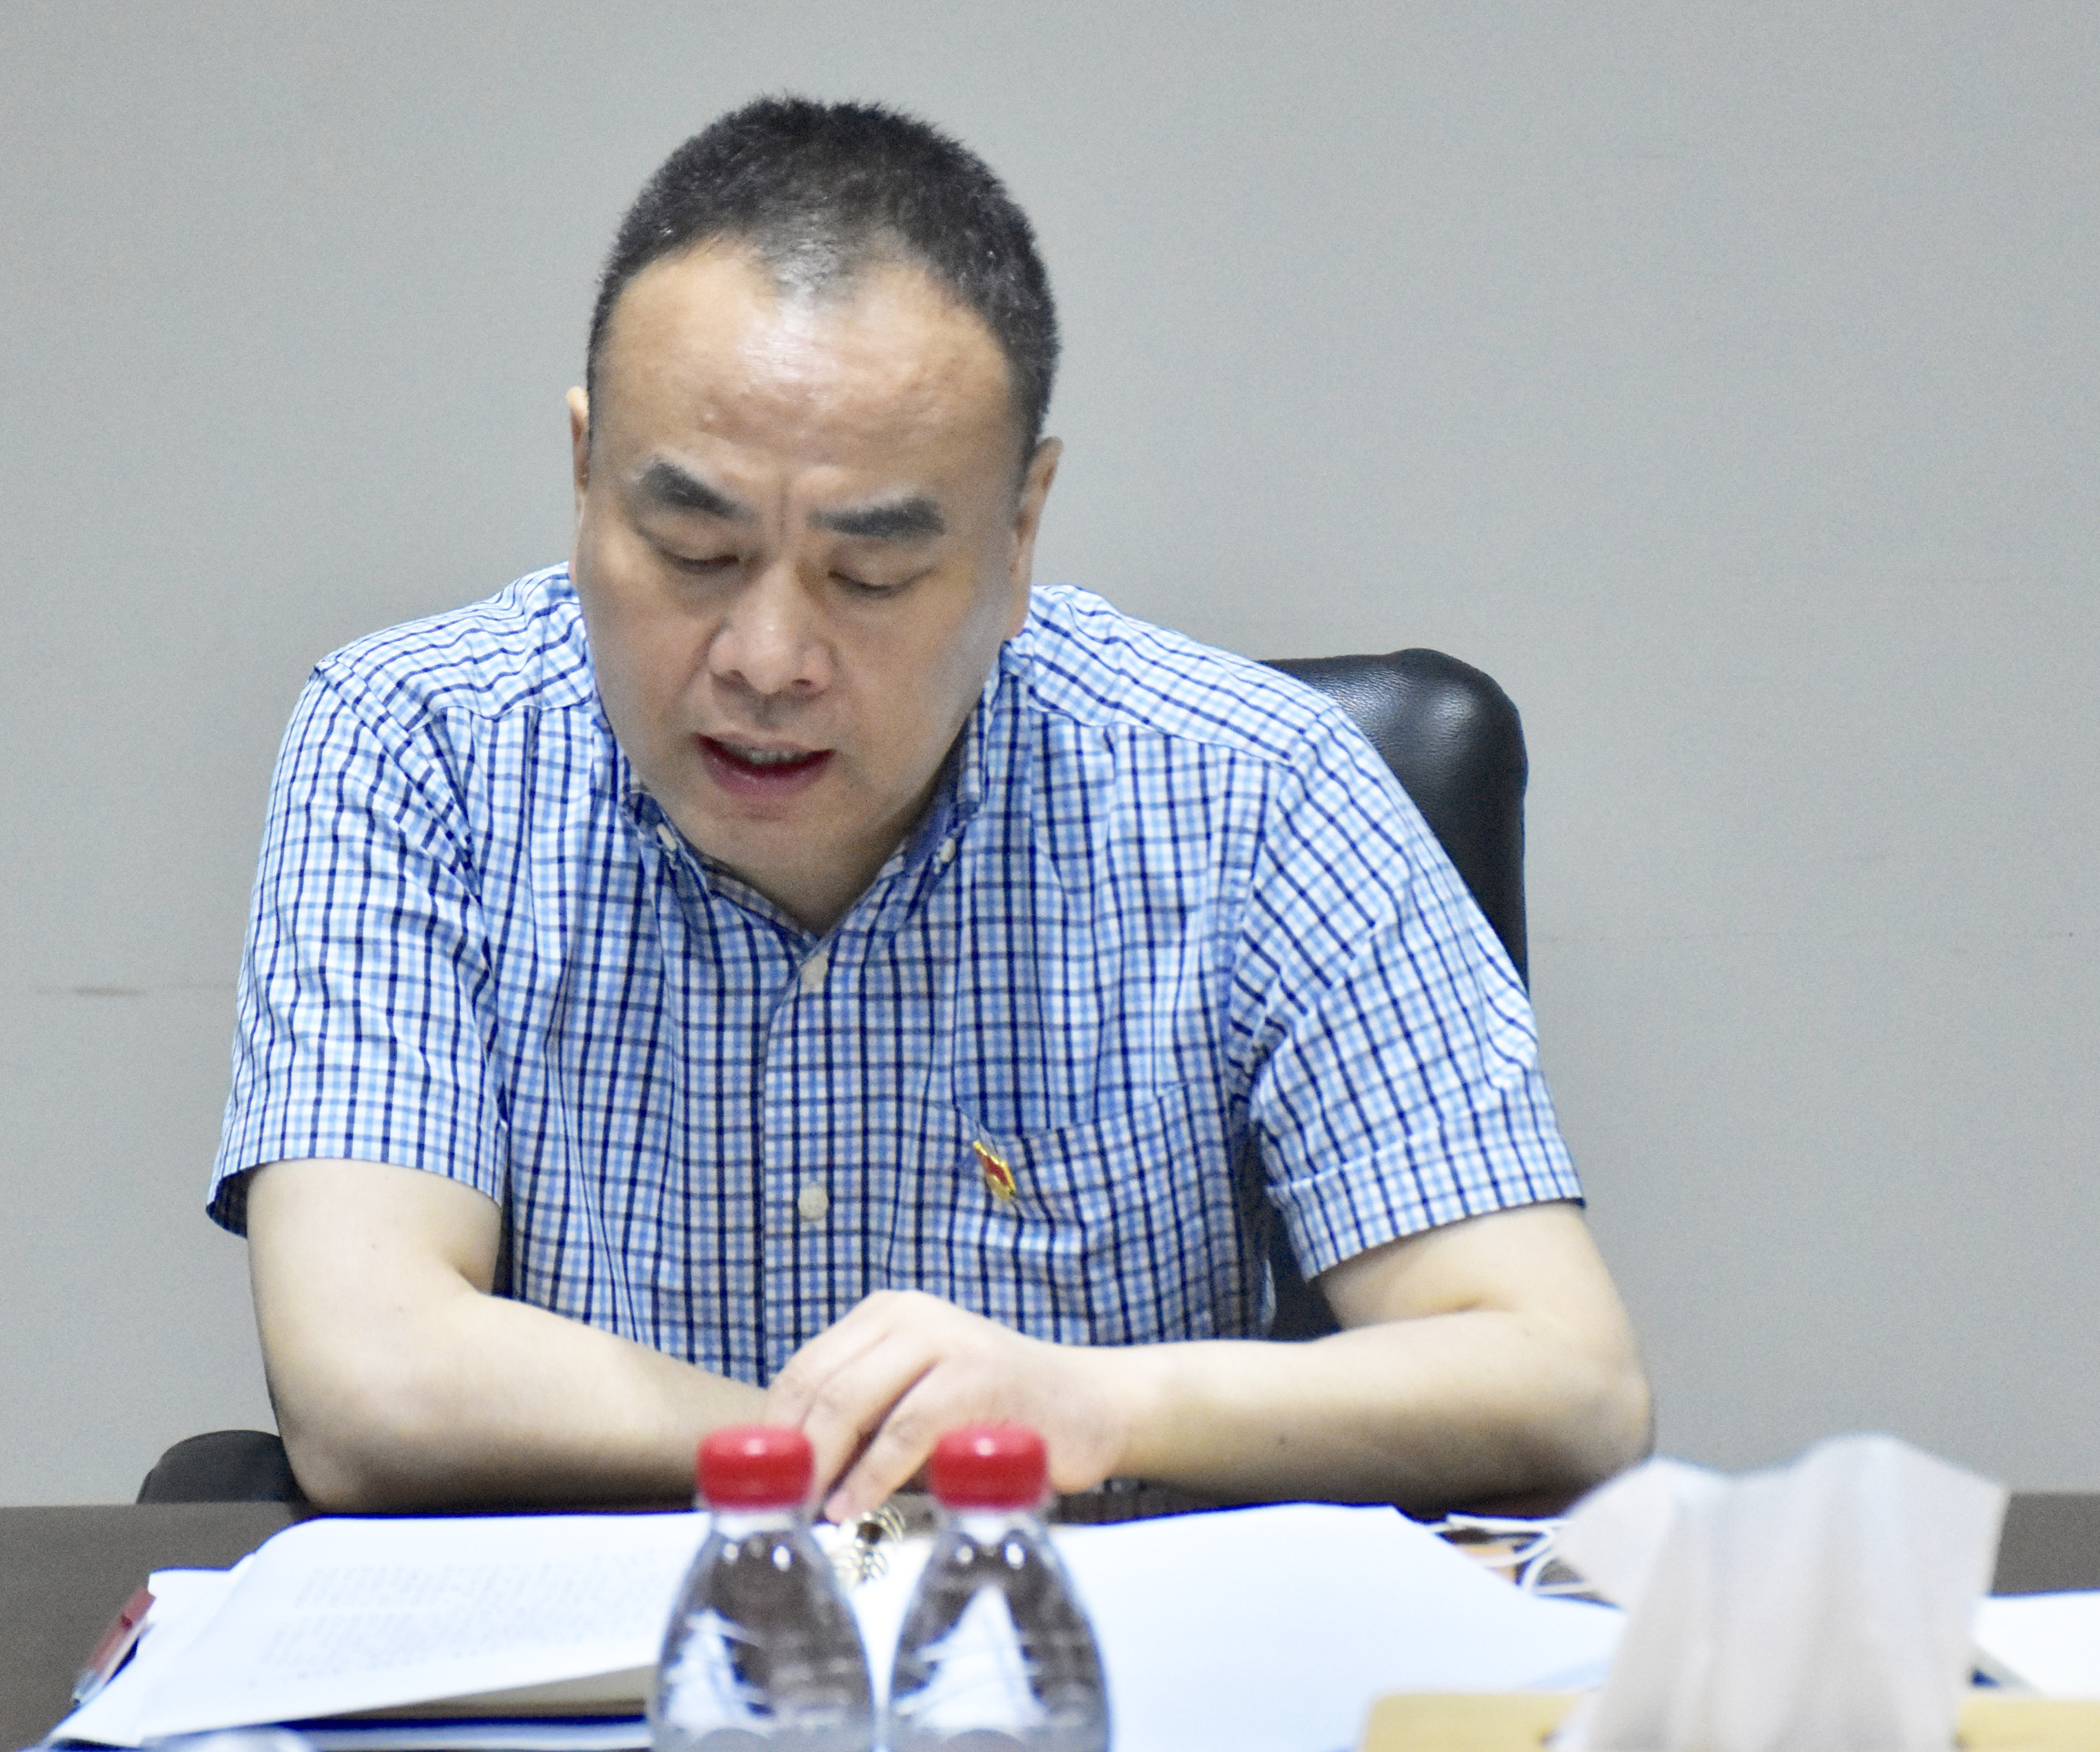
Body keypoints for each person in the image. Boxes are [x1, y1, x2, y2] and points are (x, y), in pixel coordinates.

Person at [213, 97, 1651, 1520]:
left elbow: (1567, 1381)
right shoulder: (418, 743)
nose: (766, 659)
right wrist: (889, 1461)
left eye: (872, 577)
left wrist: (1091, 1408)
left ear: (1018, 537)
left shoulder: (1256, 789)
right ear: (584, 477)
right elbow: (369, 1377)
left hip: (1067, 1633)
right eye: (695, 550)